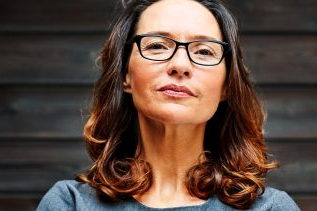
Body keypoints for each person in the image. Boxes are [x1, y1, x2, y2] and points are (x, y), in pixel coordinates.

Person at [37, 0, 300, 210]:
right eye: (158, 46)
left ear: (226, 86)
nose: (180, 65)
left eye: (204, 51)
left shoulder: (271, 208)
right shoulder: (69, 203)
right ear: (125, 75)